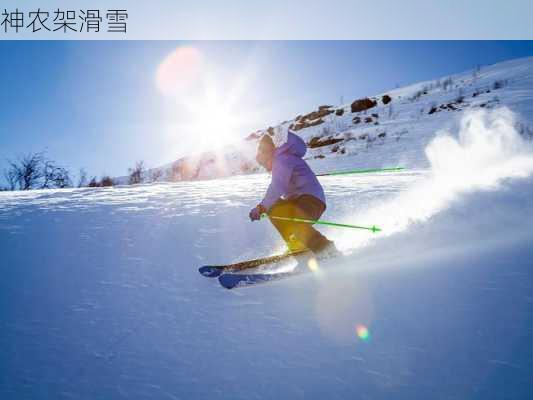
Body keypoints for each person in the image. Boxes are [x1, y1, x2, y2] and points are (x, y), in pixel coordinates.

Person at [249, 126, 338, 258]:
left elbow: (277, 187)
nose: (265, 166)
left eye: (264, 162)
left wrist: (261, 207)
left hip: (311, 200)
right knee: (274, 208)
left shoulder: (281, 159)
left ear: (268, 153)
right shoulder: (280, 160)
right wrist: (265, 207)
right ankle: (298, 246)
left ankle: (325, 248)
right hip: (298, 200)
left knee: (295, 218)